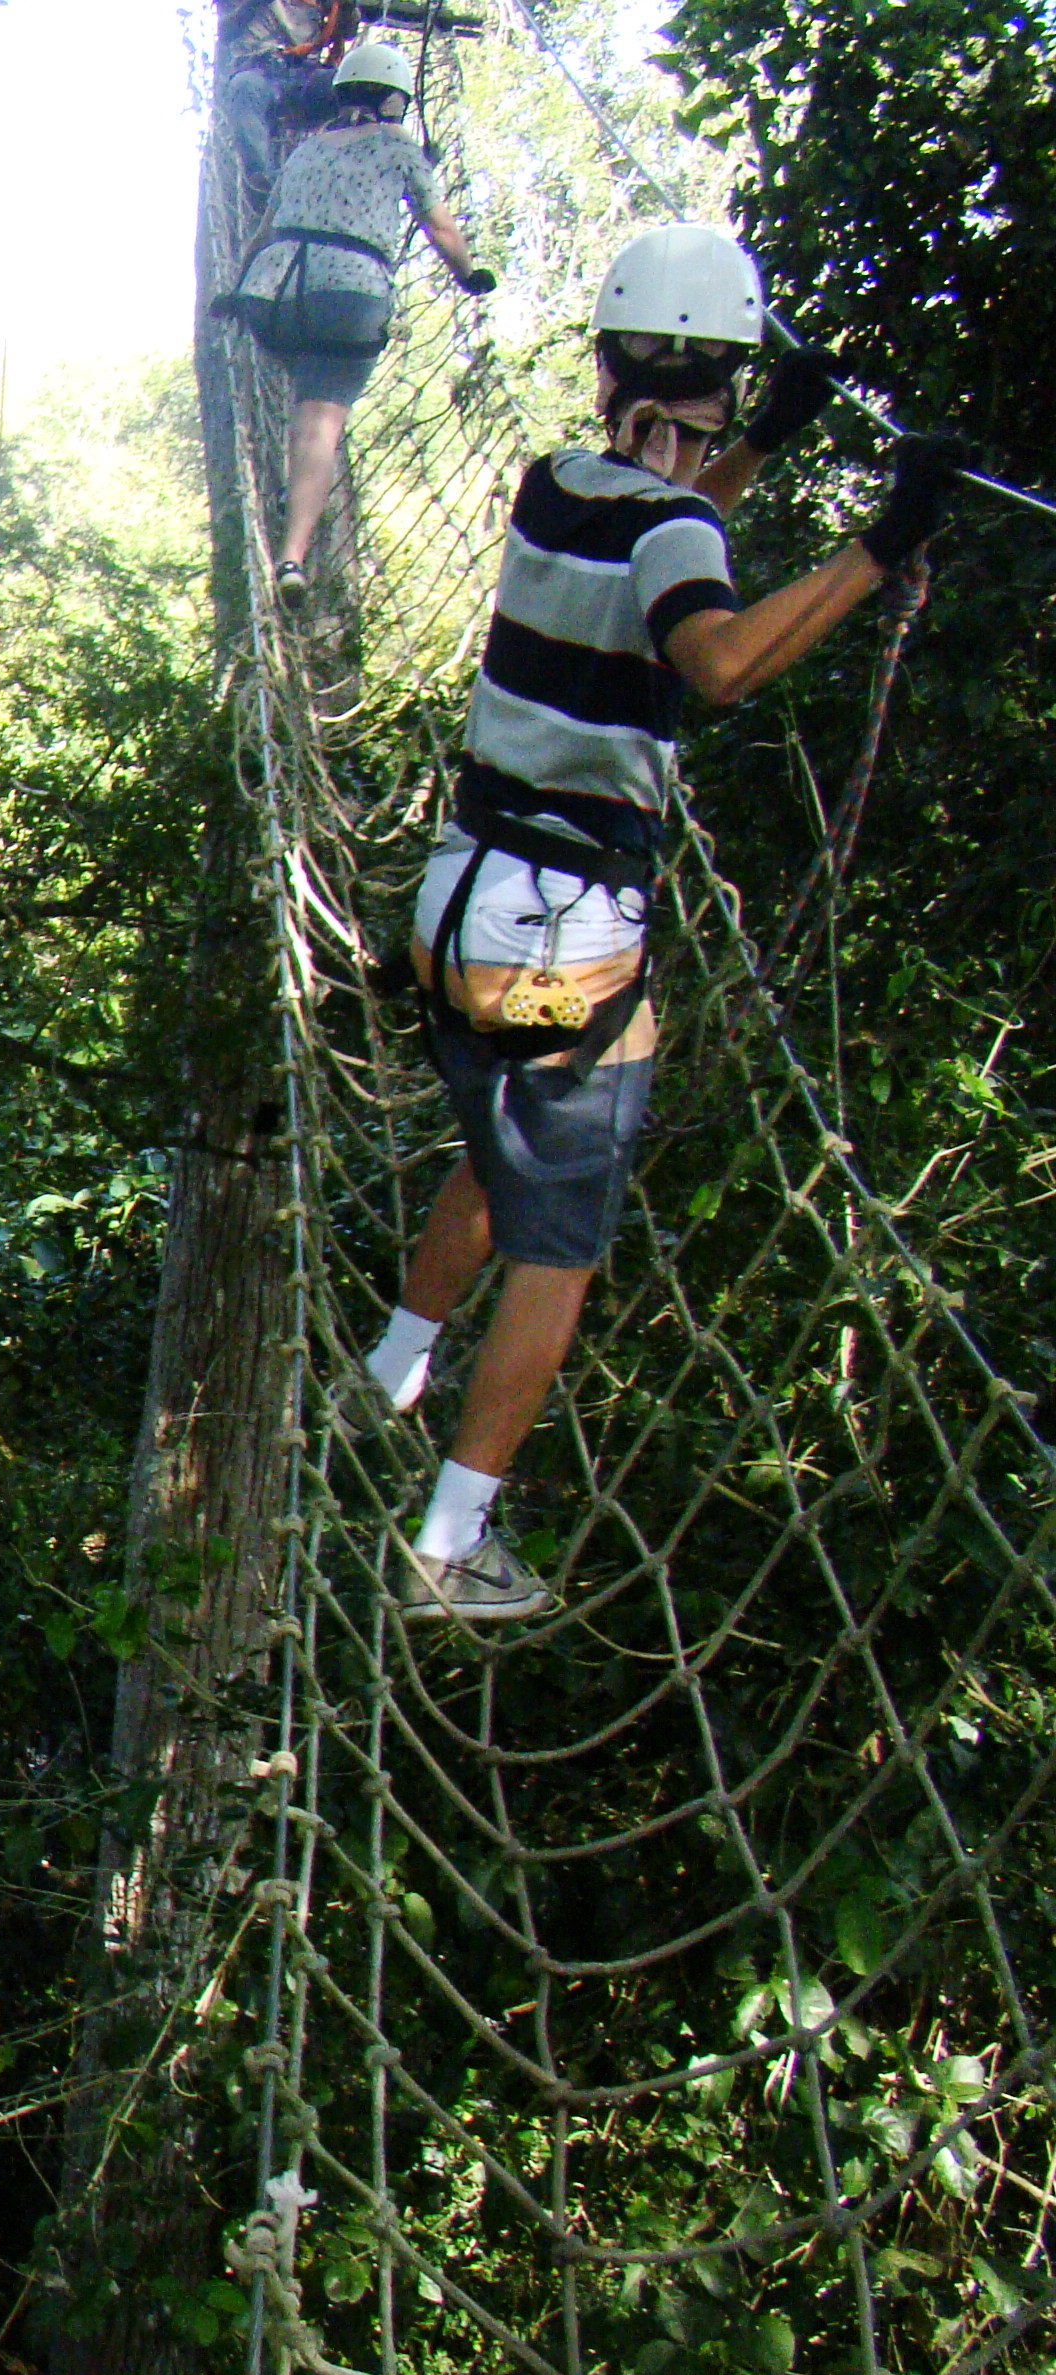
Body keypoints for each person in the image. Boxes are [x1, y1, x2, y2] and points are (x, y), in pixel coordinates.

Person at [351, 221, 975, 1622]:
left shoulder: (560, 488)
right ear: (728, 379)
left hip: (459, 916)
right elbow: (721, 652)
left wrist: (770, 449)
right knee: (562, 1235)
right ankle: (449, 1547)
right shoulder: (677, 531)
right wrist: (879, 546)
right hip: (551, 949)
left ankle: (389, 1367)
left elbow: (665, 528)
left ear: (611, 361)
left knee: (504, 1126)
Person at [225, 38, 491, 608]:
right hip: (346, 298)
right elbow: (440, 228)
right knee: (321, 422)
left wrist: (235, 290)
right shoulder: (399, 145)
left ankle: (294, 486)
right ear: (396, 100)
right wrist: (471, 273)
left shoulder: (304, 151)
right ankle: (292, 555)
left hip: (271, 297)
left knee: (305, 403)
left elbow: (265, 229)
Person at [220, 0, 357, 197]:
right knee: (244, 88)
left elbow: (348, 29)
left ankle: (344, 169)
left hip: (303, 75)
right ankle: (260, 175)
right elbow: (226, 31)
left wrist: (347, 8)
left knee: (344, 84)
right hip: (257, 70)